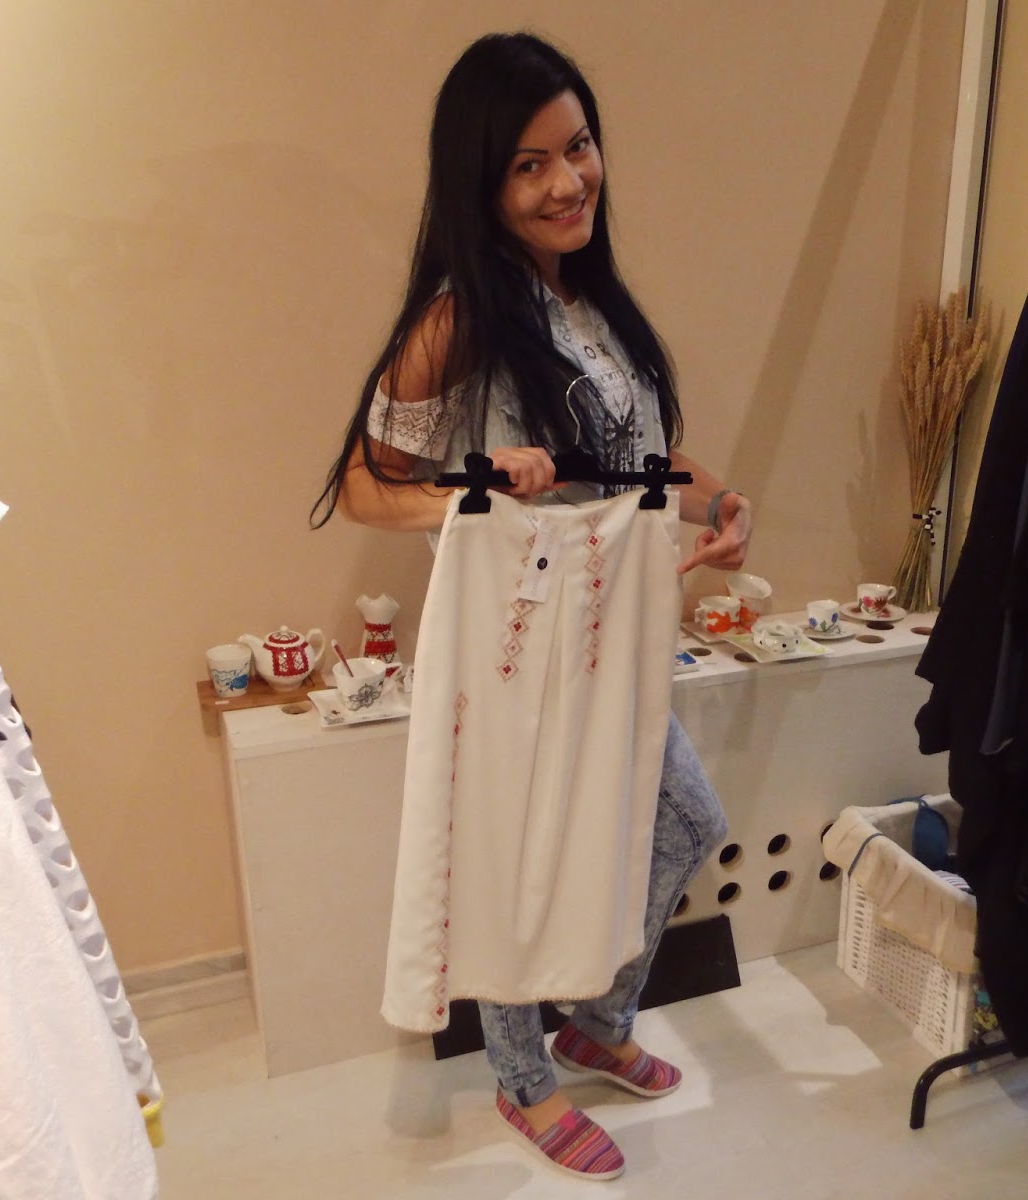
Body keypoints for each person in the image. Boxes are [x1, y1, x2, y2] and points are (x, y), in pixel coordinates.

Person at [313, 31, 749, 1182]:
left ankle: (595, 1022)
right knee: (513, 858)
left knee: (682, 821)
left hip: (614, 641)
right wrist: (476, 490)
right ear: (482, 182)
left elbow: (634, 457)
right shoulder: (459, 319)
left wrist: (717, 500)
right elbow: (363, 484)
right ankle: (521, 1078)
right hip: (522, 653)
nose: (568, 182)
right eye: (529, 165)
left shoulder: (592, 301)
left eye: (579, 147)